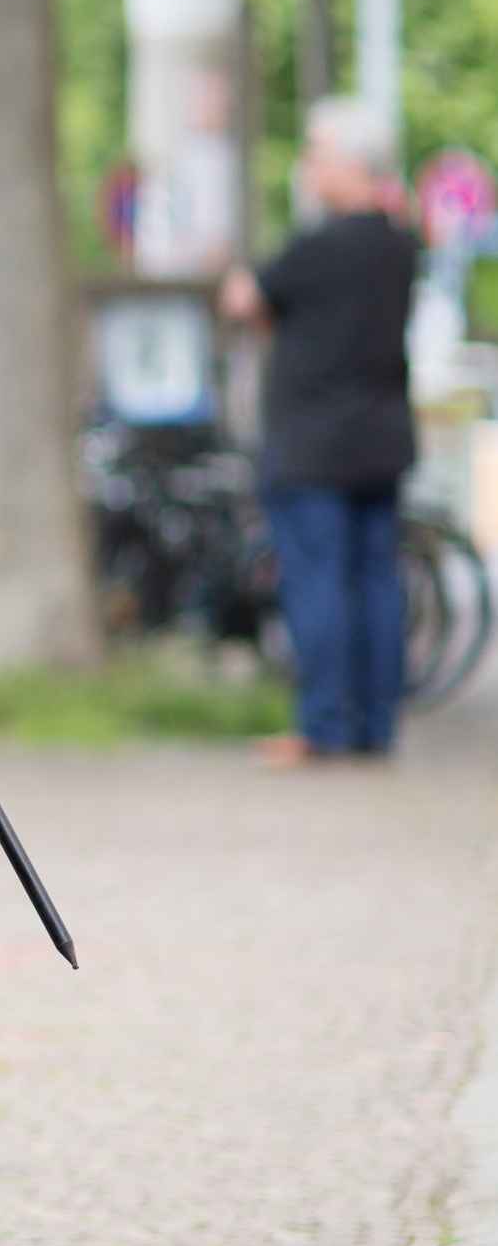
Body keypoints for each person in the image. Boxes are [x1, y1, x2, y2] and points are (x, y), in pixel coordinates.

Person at [220, 97, 418, 764]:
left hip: (311, 444)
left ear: (346, 164)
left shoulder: (315, 247)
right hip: (381, 438)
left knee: (316, 582)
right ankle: (375, 725)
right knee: (377, 582)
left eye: (313, 153)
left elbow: (245, 298)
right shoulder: (398, 246)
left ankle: (323, 725)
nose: (305, 166)